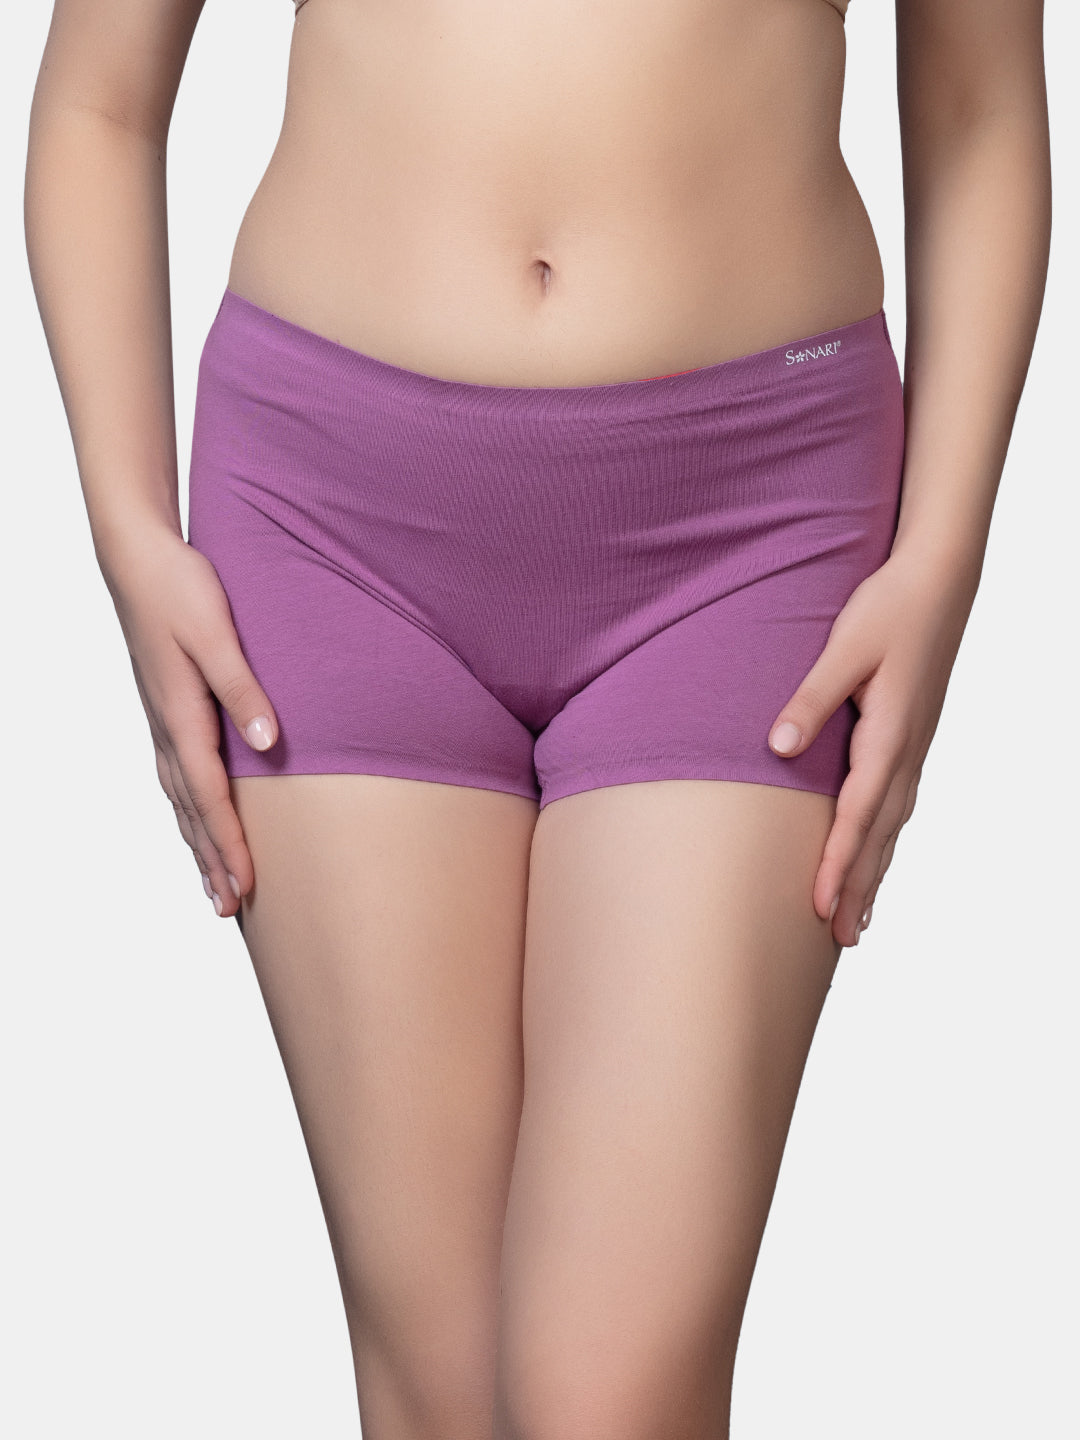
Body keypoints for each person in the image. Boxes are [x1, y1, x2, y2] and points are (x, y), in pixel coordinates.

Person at [24, 0, 1051, 1434]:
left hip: (751, 529)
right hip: (333, 519)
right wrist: (129, 532)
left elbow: (980, 107)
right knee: (440, 1391)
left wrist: (943, 557)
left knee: (610, 1396)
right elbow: (98, 101)